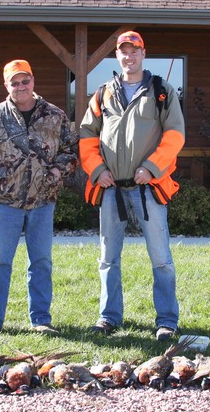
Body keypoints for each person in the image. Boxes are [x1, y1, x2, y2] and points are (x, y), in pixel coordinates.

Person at [79, 31, 186, 341]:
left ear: (143, 54)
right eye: (123, 51)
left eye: (134, 50)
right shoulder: (103, 94)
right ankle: (109, 317)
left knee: (161, 258)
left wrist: (151, 168)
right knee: (108, 258)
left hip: (148, 189)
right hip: (111, 189)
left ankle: (166, 321)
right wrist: (97, 170)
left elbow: (175, 134)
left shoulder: (161, 91)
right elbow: (87, 135)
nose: (129, 56)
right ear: (117, 55)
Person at [0, 59, 78, 341]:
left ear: (33, 81)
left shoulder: (54, 115)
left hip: (42, 201)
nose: (20, 86)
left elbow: (72, 150)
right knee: (0, 262)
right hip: (5, 203)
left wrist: (56, 171)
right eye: (14, 82)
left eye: (24, 80)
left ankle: (40, 320)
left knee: (41, 262)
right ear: (7, 86)